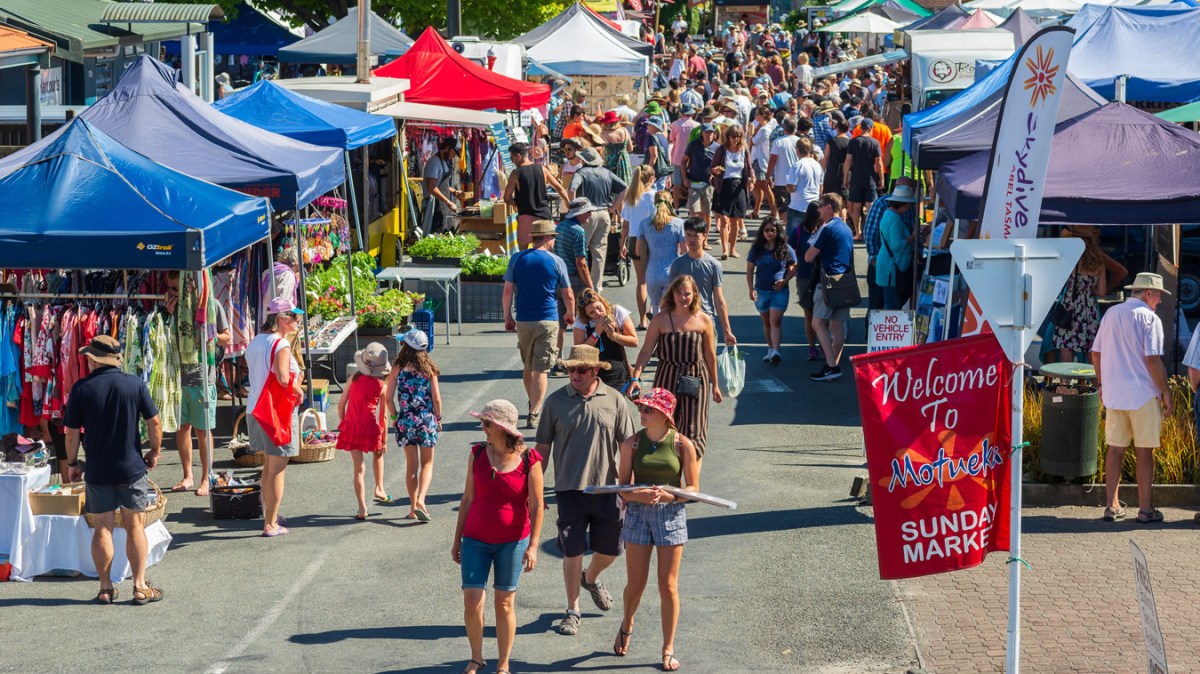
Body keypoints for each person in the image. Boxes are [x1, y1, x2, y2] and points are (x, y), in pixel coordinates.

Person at [535, 344, 638, 637]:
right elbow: (542, 449)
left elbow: (628, 446)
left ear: (595, 371)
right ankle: (572, 610)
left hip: (608, 489)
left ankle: (590, 577)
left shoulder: (615, 400)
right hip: (569, 489)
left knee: (612, 549)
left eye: (581, 370)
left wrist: (630, 488)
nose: (574, 375)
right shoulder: (555, 402)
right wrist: (534, 489)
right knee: (573, 550)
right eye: (570, 369)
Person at [64, 335, 164, 605]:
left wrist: (72, 464)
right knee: (135, 526)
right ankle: (140, 586)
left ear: (93, 359)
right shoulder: (134, 384)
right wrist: (154, 452)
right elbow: (154, 422)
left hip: (98, 469)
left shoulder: (81, 388)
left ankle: (106, 588)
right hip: (131, 468)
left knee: (102, 528)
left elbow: (71, 433)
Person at [452, 400, 545, 674]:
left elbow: (537, 505)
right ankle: (476, 657)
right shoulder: (478, 453)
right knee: (472, 600)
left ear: (503, 427)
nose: (483, 428)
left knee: (504, 603)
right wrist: (457, 540)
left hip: (513, 542)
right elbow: (467, 498)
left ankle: (503, 664)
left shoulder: (529, 460)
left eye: (487, 423)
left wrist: (533, 546)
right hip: (475, 538)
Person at [613, 388, 700, 672]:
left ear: (665, 415)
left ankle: (668, 648)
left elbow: (693, 488)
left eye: (648, 409)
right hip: (638, 513)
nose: (642, 413)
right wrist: (636, 495)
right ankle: (627, 623)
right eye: (641, 408)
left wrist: (670, 496)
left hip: (670, 514)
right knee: (635, 583)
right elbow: (622, 487)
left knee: (668, 585)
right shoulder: (631, 443)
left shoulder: (683, 444)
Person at [1091, 273, 1173, 525]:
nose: (1160, 300)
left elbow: (1095, 353)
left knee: (1115, 450)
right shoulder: (1150, 318)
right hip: (1143, 394)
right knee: (1144, 452)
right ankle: (1145, 509)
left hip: (1115, 394)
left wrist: (1102, 383)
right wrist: (1166, 392)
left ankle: (1111, 506)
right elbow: (1152, 359)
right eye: (1158, 295)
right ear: (1148, 293)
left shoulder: (1111, 313)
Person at [631, 275, 722, 468]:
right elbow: (646, 351)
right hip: (666, 377)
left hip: (696, 379)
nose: (682, 297)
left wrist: (715, 384)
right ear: (672, 294)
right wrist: (635, 378)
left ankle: (692, 480)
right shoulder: (660, 320)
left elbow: (710, 355)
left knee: (694, 430)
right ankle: (667, 473)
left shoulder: (704, 320)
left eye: (687, 293)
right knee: (663, 426)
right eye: (679, 293)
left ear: (694, 294)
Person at [503, 220, 574, 429]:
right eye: (553, 237)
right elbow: (568, 293)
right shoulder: (556, 261)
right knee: (541, 369)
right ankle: (535, 411)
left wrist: (508, 317)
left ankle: (532, 401)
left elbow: (507, 291)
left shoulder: (517, 259)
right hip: (548, 319)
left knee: (528, 366)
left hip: (524, 319)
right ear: (546, 237)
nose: (554, 241)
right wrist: (570, 313)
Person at [165, 271, 231, 497]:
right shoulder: (170, 309)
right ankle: (187, 475)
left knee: (203, 430)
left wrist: (207, 333)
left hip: (202, 377)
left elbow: (227, 337)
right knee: (182, 428)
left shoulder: (210, 305)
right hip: (178, 376)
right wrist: (171, 316)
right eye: (171, 288)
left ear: (189, 286)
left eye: (177, 288)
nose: (173, 293)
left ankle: (206, 477)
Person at [246, 297, 305, 536]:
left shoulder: (256, 341)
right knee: (277, 469)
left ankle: (270, 515)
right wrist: (299, 390)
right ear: (281, 319)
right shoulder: (280, 344)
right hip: (276, 413)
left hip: (256, 409)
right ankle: (270, 523)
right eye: (294, 317)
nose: (297, 321)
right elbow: (282, 378)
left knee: (269, 468)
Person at [385, 330, 442, 521]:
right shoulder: (429, 370)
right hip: (426, 419)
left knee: (411, 465)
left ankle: (412, 508)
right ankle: (421, 500)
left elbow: (388, 399)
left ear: (405, 346)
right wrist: (438, 418)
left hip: (405, 421)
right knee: (427, 463)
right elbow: (436, 398)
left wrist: (395, 416)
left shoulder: (398, 368)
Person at [1049, 226, 1127, 364]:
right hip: (1089, 309)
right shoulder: (1098, 261)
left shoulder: (1070, 257)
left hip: (1069, 307)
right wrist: (1088, 290)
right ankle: (1096, 378)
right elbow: (1101, 291)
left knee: (1066, 345)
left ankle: (1064, 378)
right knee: (1091, 348)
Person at [336, 342, 392, 521]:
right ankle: (379, 487)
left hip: (352, 425)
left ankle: (362, 509)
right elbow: (383, 416)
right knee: (378, 454)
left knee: (358, 469)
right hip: (370, 426)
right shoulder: (382, 385)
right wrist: (384, 439)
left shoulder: (354, 378)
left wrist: (344, 422)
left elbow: (341, 404)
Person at [805, 193, 854, 382]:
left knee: (817, 323)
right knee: (837, 325)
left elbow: (809, 256)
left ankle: (832, 366)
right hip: (844, 281)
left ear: (829, 207)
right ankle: (832, 365)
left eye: (821, 206)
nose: (818, 210)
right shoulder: (846, 228)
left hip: (828, 282)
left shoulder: (828, 228)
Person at [669, 216, 738, 347]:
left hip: (706, 321)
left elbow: (719, 299)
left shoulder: (714, 265)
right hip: (682, 322)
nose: (692, 239)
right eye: (688, 235)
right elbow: (671, 296)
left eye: (696, 236)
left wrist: (727, 331)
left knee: (709, 358)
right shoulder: (677, 265)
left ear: (704, 236)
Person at [571, 148, 628, 288]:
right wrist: (613, 208)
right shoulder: (606, 172)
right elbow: (624, 188)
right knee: (599, 253)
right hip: (604, 214)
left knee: (579, 251)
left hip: (586, 215)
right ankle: (596, 288)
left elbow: (572, 189)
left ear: (583, 160)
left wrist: (574, 207)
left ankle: (581, 285)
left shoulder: (581, 173)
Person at [747, 216, 797, 364]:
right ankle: (770, 349)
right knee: (766, 321)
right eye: (766, 230)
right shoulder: (756, 249)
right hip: (761, 290)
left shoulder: (785, 248)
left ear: (778, 231)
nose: (769, 233)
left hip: (779, 291)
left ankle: (776, 351)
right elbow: (750, 270)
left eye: (773, 230)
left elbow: (794, 266)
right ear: (762, 232)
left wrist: (785, 280)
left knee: (774, 321)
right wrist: (751, 289)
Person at [862, 177, 917, 311]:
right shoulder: (893, 216)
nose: (910, 206)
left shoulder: (888, 213)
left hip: (890, 264)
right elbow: (896, 244)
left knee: (882, 306)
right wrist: (912, 236)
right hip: (891, 266)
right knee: (888, 305)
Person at [504, 142, 569, 249]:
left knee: (524, 251)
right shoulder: (542, 169)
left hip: (526, 216)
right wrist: (568, 203)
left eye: (512, 158)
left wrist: (518, 203)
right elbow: (559, 188)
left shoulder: (515, 173)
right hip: (544, 215)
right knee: (548, 249)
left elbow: (507, 198)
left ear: (518, 156)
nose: (512, 161)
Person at [574, 288, 638, 393]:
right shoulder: (581, 321)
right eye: (591, 313)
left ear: (602, 302)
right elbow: (579, 352)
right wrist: (596, 333)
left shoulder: (616, 311)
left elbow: (634, 342)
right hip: (592, 373)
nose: (598, 313)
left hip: (617, 371)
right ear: (586, 315)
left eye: (599, 308)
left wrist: (614, 336)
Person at [710, 125, 753, 260]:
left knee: (735, 220)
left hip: (739, 186)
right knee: (724, 219)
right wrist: (715, 171)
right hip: (724, 185)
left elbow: (749, 168)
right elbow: (711, 168)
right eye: (733, 136)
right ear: (727, 137)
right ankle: (725, 249)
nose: (735, 139)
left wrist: (752, 179)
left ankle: (732, 249)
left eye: (738, 136)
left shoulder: (744, 149)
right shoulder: (721, 150)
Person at [788, 202, 824, 361]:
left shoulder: (824, 229)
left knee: (823, 313)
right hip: (804, 276)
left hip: (822, 276)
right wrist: (792, 264)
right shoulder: (798, 231)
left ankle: (824, 344)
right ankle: (812, 347)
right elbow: (788, 249)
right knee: (809, 313)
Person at [622, 165, 656, 329]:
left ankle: (643, 320)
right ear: (651, 180)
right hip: (651, 238)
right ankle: (653, 309)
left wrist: (622, 244)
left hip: (634, 239)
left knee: (641, 281)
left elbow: (625, 225)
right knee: (655, 278)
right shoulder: (653, 197)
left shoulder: (631, 197)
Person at [641, 191, 687, 311]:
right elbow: (684, 251)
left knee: (656, 307)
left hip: (652, 271)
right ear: (671, 202)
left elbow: (638, 250)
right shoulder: (679, 223)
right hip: (672, 271)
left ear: (654, 203)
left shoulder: (644, 223)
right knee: (671, 308)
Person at [843, 119, 883, 239]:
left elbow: (848, 160)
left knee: (856, 206)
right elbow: (879, 162)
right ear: (870, 128)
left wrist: (845, 177)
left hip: (856, 177)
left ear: (861, 128)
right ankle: (870, 232)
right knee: (870, 206)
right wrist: (881, 179)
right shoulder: (875, 143)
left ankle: (858, 232)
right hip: (870, 178)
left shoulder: (853, 142)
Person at [681, 124, 719, 230]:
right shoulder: (693, 145)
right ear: (702, 133)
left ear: (714, 134)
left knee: (707, 213)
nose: (709, 135)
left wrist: (716, 173)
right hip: (694, 183)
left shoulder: (717, 148)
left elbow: (721, 165)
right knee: (694, 212)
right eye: (706, 132)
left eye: (711, 132)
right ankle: (693, 234)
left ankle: (705, 238)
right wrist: (685, 178)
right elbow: (683, 161)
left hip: (709, 185)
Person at [422, 136, 463, 236]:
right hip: (434, 207)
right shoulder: (434, 162)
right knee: (435, 235)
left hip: (442, 205)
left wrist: (454, 192)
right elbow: (431, 187)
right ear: (447, 148)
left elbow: (440, 184)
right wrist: (448, 202)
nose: (453, 155)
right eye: (453, 152)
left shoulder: (444, 161)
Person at [784, 136, 823, 237]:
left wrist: (786, 186)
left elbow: (791, 188)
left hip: (798, 206)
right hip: (813, 205)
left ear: (797, 150)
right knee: (810, 237)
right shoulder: (817, 165)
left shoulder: (798, 165)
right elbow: (821, 187)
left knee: (792, 238)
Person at [767, 117, 800, 220]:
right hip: (797, 180)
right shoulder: (800, 141)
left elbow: (772, 160)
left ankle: (788, 226)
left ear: (784, 128)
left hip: (781, 180)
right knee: (795, 206)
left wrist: (768, 176)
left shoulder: (778, 142)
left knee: (783, 207)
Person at [749, 106, 776, 219]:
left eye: (757, 114)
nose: (755, 116)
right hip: (757, 160)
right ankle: (756, 211)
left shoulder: (765, 129)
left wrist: (753, 131)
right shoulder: (762, 128)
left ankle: (774, 212)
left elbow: (753, 141)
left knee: (764, 187)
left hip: (761, 161)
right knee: (758, 187)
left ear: (763, 115)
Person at [670, 104, 700, 207]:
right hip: (692, 158)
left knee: (676, 184)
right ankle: (690, 206)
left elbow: (672, 139)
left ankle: (676, 206)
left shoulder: (675, 124)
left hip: (677, 157)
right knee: (691, 184)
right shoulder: (697, 126)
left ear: (681, 113)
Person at [599, 110, 634, 187]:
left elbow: (602, 152)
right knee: (625, 185)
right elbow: (630, 149)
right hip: (624, 161)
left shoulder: (603, 134)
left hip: (610, 162)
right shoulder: (625, 131)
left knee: (611, 186)